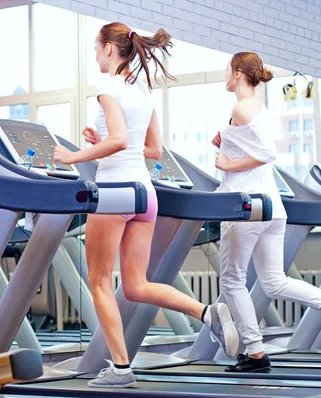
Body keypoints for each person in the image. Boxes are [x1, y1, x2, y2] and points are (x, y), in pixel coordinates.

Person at [53, 22, 239, 388]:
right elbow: (151, 149)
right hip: (144, 192)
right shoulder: (141, 88)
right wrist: (100, 139)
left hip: (116, 190)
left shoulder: (107, 86)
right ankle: (207, 311)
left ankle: (121, 369)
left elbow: (121, 140)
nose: (94, 56)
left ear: (110, 48)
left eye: (96, 49)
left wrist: (74, 155)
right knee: (136, 285)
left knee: (100, 282)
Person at [212, 52, 321, 373]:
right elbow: (254, 147)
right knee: (273, 282)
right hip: (272, 209)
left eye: (228, 69)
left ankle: (255, 352)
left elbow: (267, 153)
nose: (225, 75)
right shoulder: (259, 110)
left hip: (247, 209)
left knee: (232, 281)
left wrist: (227, 162)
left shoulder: (240, 107)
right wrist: (225, 139)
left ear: (238, 73)